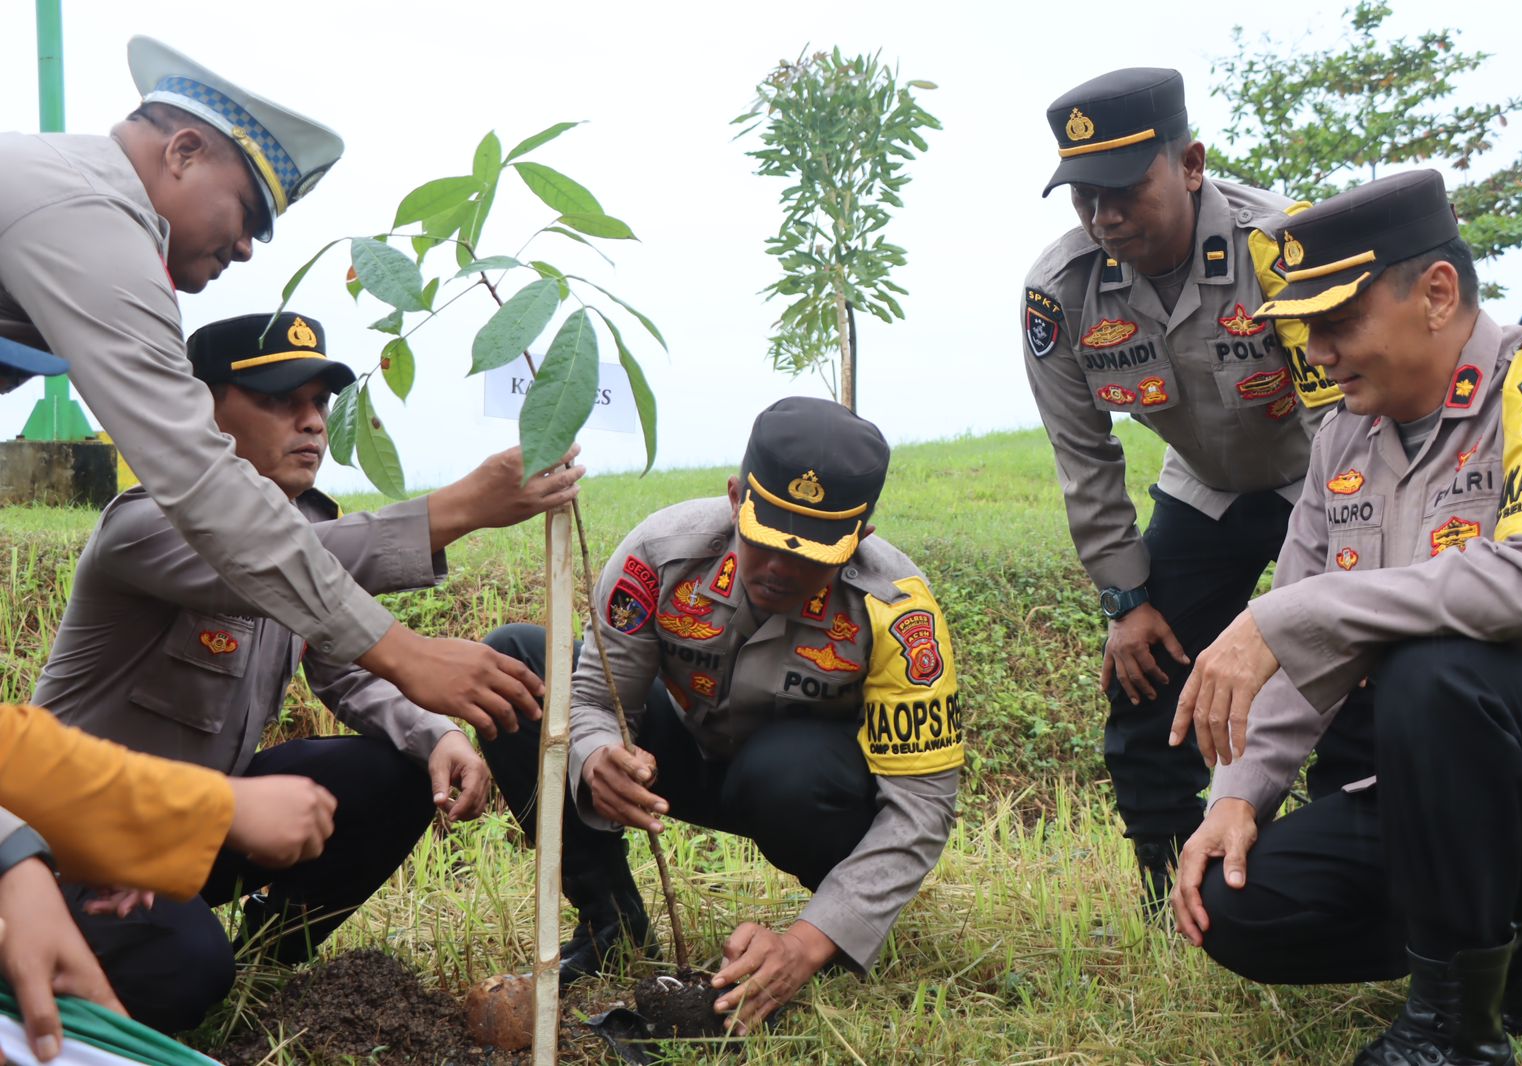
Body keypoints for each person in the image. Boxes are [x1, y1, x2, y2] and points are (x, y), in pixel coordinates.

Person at [32, 312, 583, 1033]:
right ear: (201, 410)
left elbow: (345, 669)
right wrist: (459, 508)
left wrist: (436, 736)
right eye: (278, 400)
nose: (312, 423)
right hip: (80, 840)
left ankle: (264, 953)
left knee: (389, 775)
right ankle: (74, 963)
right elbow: (280, 565)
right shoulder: (146, 528)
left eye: (320, 403)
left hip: (201, 822)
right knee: (188, 973)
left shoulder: (300, 531)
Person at [1169, 170, 1522, 1065]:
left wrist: (1305, 608)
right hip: (1451, 784)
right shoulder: (1342, 440)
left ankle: (1454, 1032)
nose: (1317, 351)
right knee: (1243, 908)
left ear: (1436, 294)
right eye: (1304, 328)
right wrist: (1237, 798)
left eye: (1337, 321)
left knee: (1432, 670)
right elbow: (1291, 657)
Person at [0, 35, 543, 744]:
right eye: (248, 211)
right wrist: (408, 650)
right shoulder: (91, 216)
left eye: (318, 402)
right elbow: (200, 480)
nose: (250, 246)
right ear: (183, 151)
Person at [478, 397, 963, 1031]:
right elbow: (596, 702)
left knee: (783, 771)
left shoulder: (899, 611)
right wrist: (597, 758)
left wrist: (804, 945)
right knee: (517, 663)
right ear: (737, 498)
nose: (780, 569)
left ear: (859, 541)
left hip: (806, 792)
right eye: (764, 541)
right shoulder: (659, 556)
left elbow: (923, 808)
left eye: (813, 553)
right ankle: (610, 921)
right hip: (688, 756)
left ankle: (838, 927)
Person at [1020, 66, 1361, 901]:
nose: (1104, 216)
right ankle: (1170, 885)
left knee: (1353, 670)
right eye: (1083, 198)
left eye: (1124, 190)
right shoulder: (1059, 292)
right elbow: (1085, 458)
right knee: (1145, 674)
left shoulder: (1278, 250)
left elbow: (1344, 427)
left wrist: (1301, 603)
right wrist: (1123, 601)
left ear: (1192, 164)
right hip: (1202, 488)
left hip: (1315, 480)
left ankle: (1337, 872)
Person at [0, 702, 337, 1065]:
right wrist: (211, 809)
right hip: (65, 810)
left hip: (70, 820)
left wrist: (14, 856)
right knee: (183, 962)